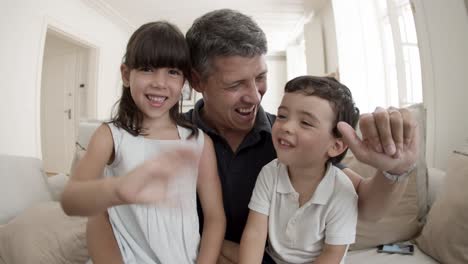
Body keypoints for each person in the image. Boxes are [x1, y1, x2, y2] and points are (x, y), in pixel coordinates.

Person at [87, 9, 419, 264]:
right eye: (235, 85)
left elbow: (367, 207)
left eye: (260, 77)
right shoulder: (168, 138)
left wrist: (393, 170)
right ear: (197, 80)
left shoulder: (288, 138)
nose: (255, 95)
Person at [60, 21, 225, 264]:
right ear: (126, 75)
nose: (159, 82)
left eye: (173, 72)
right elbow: (70, 200)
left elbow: (215, 219)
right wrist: (118, 189)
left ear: (184, 83)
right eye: (147, 69)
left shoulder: (199, 142)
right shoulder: (110, 135)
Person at [239, 76, 360, 264]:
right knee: (224, 249)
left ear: (336, 146)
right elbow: (254, 234)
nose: (286, 126)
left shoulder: (342, 191)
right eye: (282, 116)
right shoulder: (270, 173)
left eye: (305, 123)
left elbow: (331, 255)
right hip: (272, 260)